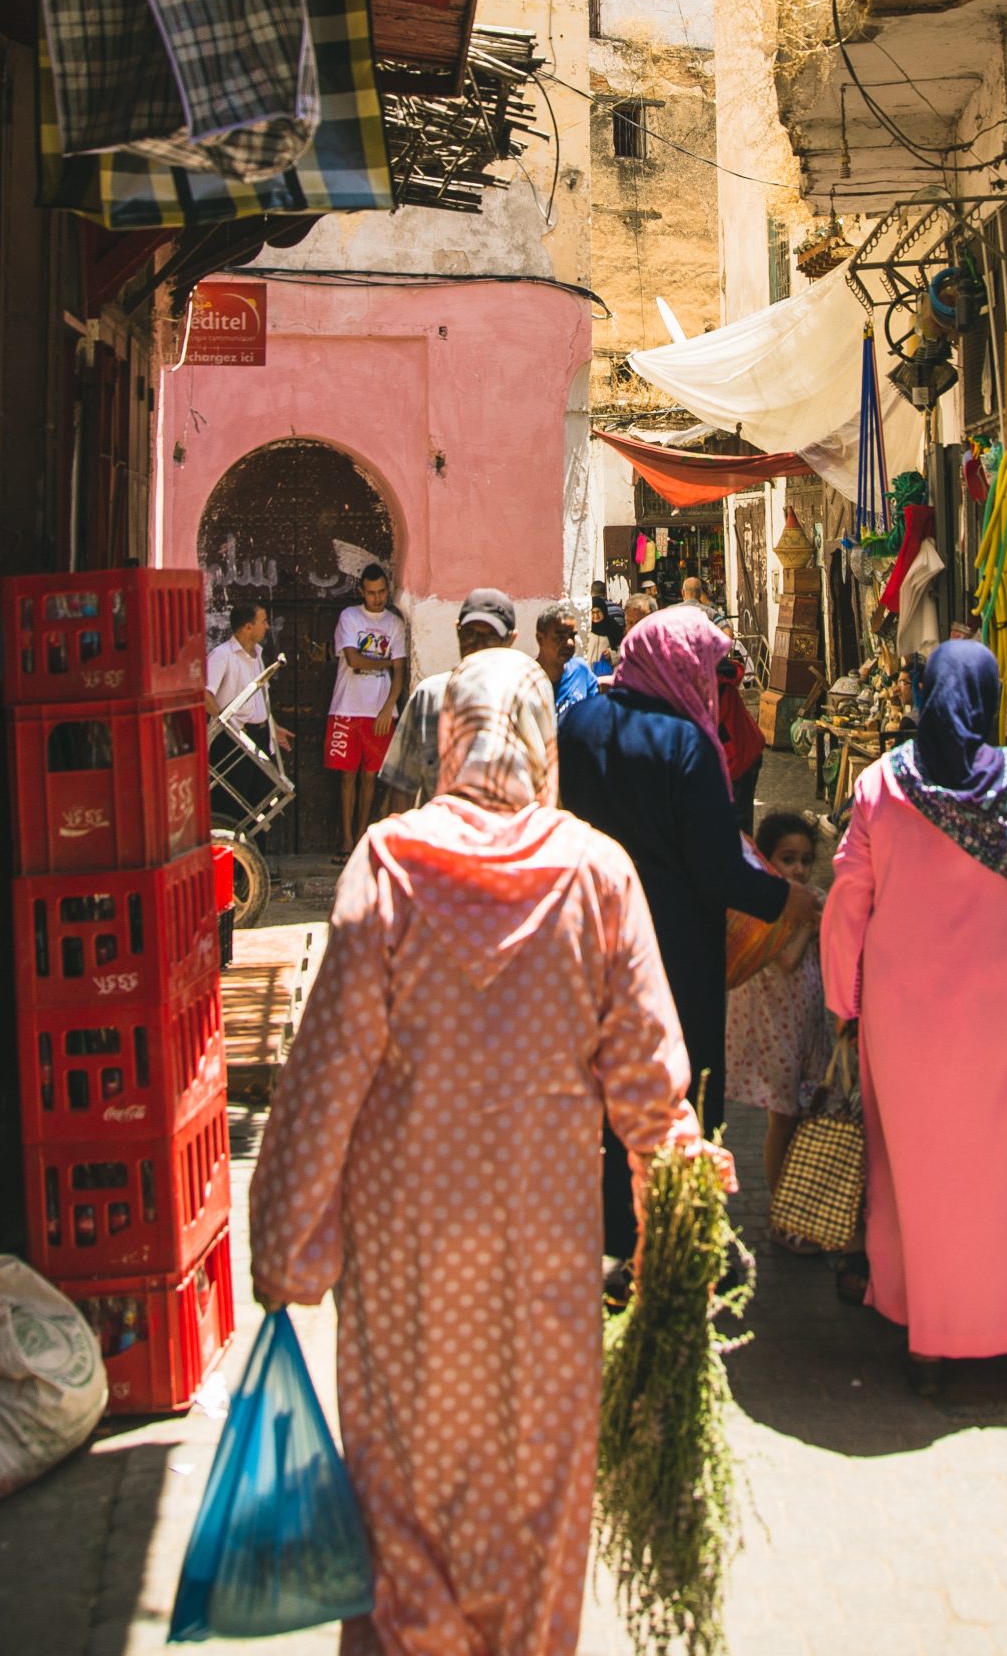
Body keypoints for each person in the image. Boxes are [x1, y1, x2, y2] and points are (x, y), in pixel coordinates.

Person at [250, 648, 726, 1656]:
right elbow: (650, 1081)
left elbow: (324, 1070)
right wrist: (669, 1231)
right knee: (535, 1503)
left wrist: (286, 1247)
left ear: (447, 739)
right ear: (546, 747)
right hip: (544, 1264)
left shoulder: (388, 861)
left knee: (402, 1499)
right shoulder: (596, 873)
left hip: (403, 1265)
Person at [820, 639, 1007, 1395]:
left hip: (906, 1015)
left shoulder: (877, 787)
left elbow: (846, 903)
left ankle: (926, 1332)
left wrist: (841, 1001)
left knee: (919, 1167)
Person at [560, 604, 819, 1257]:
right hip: (673, 948)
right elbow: (715, 869)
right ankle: (678, 1238)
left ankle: (616, 1229)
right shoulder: (685, 744)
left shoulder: (577, 723)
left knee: (605, 1084)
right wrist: (784, 898)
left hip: (588, 937)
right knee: (683, 1089)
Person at [726, 810, 831, 1210]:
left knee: (801, 1116)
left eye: (806, 860)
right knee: (783, 1118)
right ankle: (780, 1210)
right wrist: (810, 925)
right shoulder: (769, 906)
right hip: (775, 1030)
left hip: (806, 1023)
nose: (800, 870)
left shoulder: (809, 901)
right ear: (769, 862)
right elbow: (787, 961)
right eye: (789, 859)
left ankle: (796, 1204)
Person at [375, 589, 517, 812]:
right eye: (470, 634)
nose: (478, 644)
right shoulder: (429, 698)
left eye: (490, 636)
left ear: (510, 639)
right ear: (458, 631)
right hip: (440, 840)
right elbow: (402, 788)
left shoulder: (524, 700)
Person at [328, 564, 408, 856]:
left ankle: (362, 835)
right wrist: (385, 663)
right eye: (371, 593)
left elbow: (400, 672)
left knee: (370, 777)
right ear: (361, 591)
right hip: (347, 706)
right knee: (347, 776)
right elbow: (354, 660)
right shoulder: (348, 617)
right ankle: (346, 839)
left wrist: (389, 708)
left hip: (379, 712)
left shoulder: (395, 624)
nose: (377, 598)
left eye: (382, 592)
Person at [204, 599, 292, 756]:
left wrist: (273, 726)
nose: (267, 626)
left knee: (265, 781)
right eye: (263, 621)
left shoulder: (257, 654)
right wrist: (226, 724)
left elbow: (259, 700)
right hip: (233, 739)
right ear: (248, 627)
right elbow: (204, 694)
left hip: (261, 737)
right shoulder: (222, 655)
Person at [716, 642, 766, 831]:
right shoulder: (713, 674)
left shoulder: (708, 682)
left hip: (738, 757)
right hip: (741, 753)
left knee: (738, 827)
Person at [536, 600, 599, 720]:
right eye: (560, 637)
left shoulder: (581, 671)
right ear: (540, 639)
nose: (569, 643)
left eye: (572, 636)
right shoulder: (527, 678)